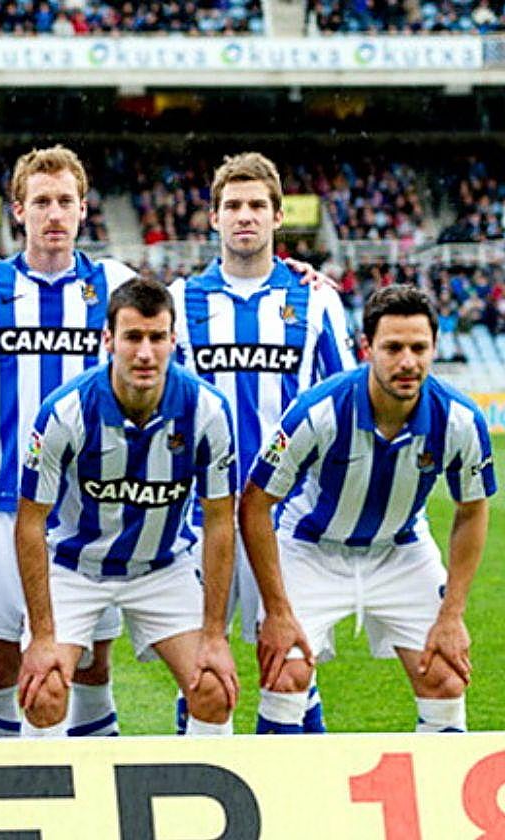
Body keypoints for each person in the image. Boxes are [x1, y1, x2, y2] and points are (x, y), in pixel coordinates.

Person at [0, 146, 135, 738]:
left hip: (89, 506)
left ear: (83, 209)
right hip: (0, 503)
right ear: (19, 210)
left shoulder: (112, 283)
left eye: (65, 201)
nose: (53, 214)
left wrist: (296, 272)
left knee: (90, 666)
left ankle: (91, 785)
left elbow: (174, 320)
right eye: (41, 202)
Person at [239, 284, 495, 734]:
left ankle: (434, 782)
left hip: (401, 550)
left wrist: (452, 615)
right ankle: (285, 776)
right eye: (393, 348)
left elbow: (472, 510)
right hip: (312, 548)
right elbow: (256, 502)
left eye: (419, 348)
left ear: (435, 347)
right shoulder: (318, 411)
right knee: (285, 674)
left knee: (446, 677)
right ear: (366, 348)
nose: (408, 362)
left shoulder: (460, 419)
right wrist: (277, 610)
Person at [169, 151, 356, 734]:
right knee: (202, 676)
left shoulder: (316, 299)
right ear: (214, 217)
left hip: (287, 518)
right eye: (232, 206)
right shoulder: (180, 301)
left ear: (278, 216)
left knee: (290, 668)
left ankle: (298, 787)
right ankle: (197, 781)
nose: (244, 216)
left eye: (256, 205)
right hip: (202, 518)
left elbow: (344, 402)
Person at [16, 278, 239, 737]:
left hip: (162, 568)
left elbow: (220, 522)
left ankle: (198, 781)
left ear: (173, 341)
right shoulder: (66, 411)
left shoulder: (207, 410)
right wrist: (41, 635)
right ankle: (49, 785)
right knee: (44, 692)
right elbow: (30, 522)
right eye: (132, 337)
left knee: (213, 688)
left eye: (157, 338)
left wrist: (215, 635)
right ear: (108, 340)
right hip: (74, 567)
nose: (145, 353)